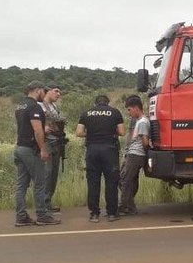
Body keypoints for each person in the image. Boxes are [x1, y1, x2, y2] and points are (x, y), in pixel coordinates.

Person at [13, 81, 61, 226]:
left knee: (21, 184)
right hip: (30, 149)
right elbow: (37, 130)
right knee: (40, 183)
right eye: (42, 90)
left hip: (19, 147)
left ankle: (21, 216)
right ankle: (42, 215)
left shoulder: (20, 106)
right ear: (37, 90)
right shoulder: (34, 107)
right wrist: (43, 149)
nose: (44, 93)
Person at [76, 94, 125, 223]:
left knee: (93, 182)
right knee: (111, 182)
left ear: (95, 103)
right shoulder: (115, 112)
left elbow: (79, 132)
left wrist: (91, 133)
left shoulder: (86, 113)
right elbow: (122, 132)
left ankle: (94, 214)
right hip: (109, 150)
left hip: (92, 150)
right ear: (107, 103)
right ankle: (112, 214)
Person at [118, 95, 150, 215]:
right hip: (133, 153)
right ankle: (129, 206)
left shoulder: (142, 122)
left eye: (130, 110)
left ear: (136, 108)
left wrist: (145, 150)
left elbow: (145, 141)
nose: (129, 113)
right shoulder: (140, 121)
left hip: (136, 154)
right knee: (125, 179)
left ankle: (124, 206)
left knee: (125, 180)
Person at [39, 84, 65, 213]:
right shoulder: (40, 105)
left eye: (59, 92)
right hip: (46, 142)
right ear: (48, 91)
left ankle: (48, 202)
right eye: (56, 91)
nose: (58, 94)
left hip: (56, 141)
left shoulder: (54, 106)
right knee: (47, 174)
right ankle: (42, 204)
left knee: (54, 174)